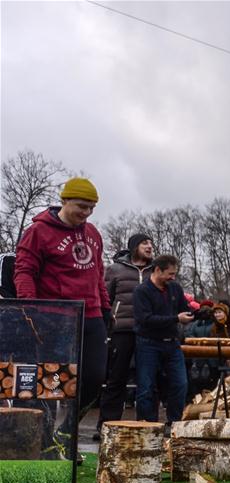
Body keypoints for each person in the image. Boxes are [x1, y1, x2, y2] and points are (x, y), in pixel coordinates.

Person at [14, 177, 110, 457]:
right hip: (53, 317)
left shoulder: (92, 232)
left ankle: (67, 430)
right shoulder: (39, 231)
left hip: (90, 315)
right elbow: (24, 271)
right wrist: (29, 310)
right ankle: (48, 445)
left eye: (91, 208)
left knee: (94, 377)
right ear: (65, 200)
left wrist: (105, 307)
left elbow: (97, 274)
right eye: (82, 206)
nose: (86, 213)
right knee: (54, 383)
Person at [95, 233, 154, 438]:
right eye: (145, 243)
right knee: (116, 378)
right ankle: (106, 426)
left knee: (147, 380)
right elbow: (105, 297)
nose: (149, 246)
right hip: (122, 329)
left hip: (149, 332)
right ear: (134, 247)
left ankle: (147, 426)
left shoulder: (155, 270)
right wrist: (107, 322)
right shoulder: (115, 269)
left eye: (151, 243)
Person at [132, 254, 193, 425]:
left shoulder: (175, 288)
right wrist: (176, 319)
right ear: (158, 270)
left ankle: (174, 423)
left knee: (180, 384)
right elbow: (146, 320)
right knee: (146, 388)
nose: (173, 278)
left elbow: (184, 309)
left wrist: (197, 313)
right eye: (170, 274)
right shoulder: (142, 291)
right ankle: (147, 426)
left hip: (172, 343)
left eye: (174, 274)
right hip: (148, 343)